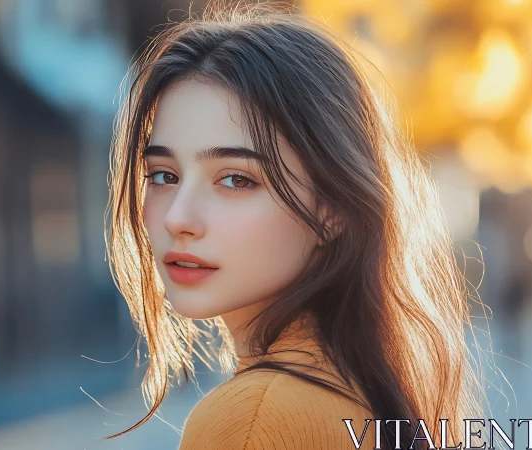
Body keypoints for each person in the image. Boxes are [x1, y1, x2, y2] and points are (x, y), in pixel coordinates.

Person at [104, 2, 487, 449]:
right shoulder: (355, 384)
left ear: (332, 208)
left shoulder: (254, 417)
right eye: (163, 176)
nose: (178, 217)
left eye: (235, 179)